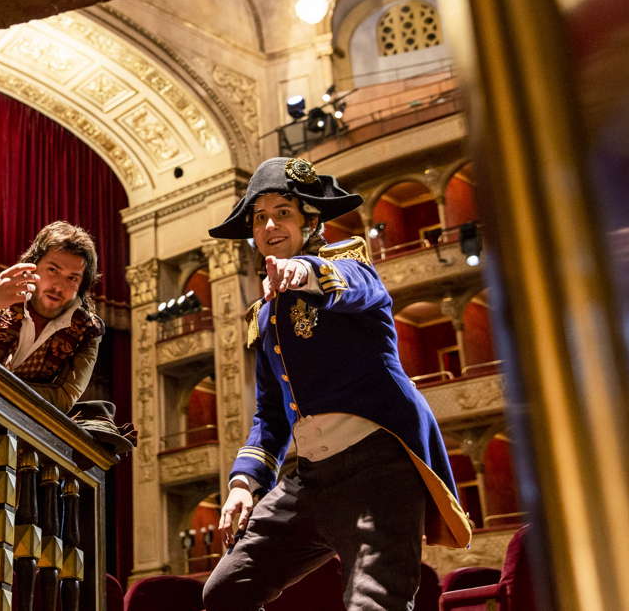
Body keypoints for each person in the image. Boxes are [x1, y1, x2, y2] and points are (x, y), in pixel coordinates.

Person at [201, 157, 472, 611]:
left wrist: (304, 273)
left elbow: (356, 285)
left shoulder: (348, 268)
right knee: (226, 591)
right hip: (310, 480)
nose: (269, 225)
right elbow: (270, 415)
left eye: (283, 212)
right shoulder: (265, 316)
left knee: (374, 604)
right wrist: (244, 484)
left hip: (379, 471)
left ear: (311, 220)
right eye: (259, 217)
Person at [0, 220, 104, 413]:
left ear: (82, 285)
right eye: (53, 270)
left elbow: (64, 396)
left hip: (4, 439)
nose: (58, 286)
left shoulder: (87, 331)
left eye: (72, 278)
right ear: (33, 265)